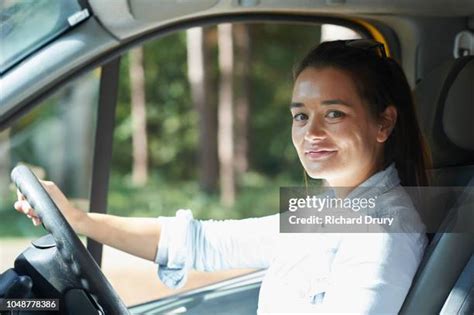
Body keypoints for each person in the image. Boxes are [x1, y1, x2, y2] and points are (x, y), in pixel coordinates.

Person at [14, 39, 431, 314]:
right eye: (301, 115)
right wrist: (80, 221)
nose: (311, 133)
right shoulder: (335, 212)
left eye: (334, 113)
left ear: (383, 123)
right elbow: (207, 243)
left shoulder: (382, 228)